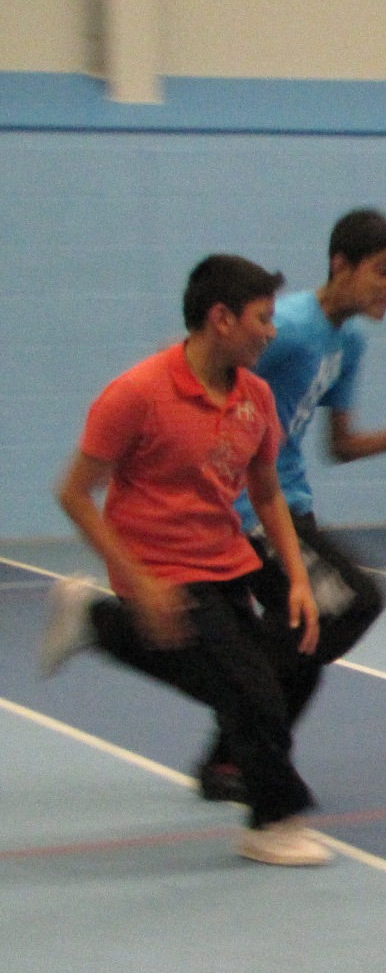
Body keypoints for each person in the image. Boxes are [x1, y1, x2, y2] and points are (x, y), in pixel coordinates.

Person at [38, 256, 331, 866]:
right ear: (220, 319)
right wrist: (140, 583)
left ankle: (95, 621)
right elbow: (74, 493)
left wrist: (298, 578)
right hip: (158, 563)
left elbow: (267, 491)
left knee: (268, 671)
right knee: (251, 692)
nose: (272, 331)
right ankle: (271, 822)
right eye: (262, 318)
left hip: (225, 556)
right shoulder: (136, 393)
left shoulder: (255, 396)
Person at [193, 208, 386, 803]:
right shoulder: (288, 328)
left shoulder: (347, 341)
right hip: (248, 511)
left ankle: (229, 759)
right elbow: (204, 369)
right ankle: (236, 710)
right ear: (339, 265)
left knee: (309, 635)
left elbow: (340, 445)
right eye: (383, 271)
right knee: (351, 604)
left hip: (293, 503)